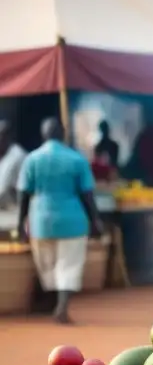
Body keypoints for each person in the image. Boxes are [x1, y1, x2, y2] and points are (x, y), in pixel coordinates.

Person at [16, 118, 103, 323]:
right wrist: (95, 220)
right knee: (69, 264)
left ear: (43, 134)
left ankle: (53, 303)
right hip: (72, 220)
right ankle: (62, 306)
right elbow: (87, 195)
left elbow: (23, 195)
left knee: (47, 264)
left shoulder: (32, 159)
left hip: (41, 221)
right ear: (63, 134)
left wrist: (21, 223)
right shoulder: (76, 159)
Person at [0, 120, 26, 210]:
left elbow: (25, 187)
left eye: (1, 136)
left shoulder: (18, 156)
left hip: (12, 212)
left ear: (8, 137)